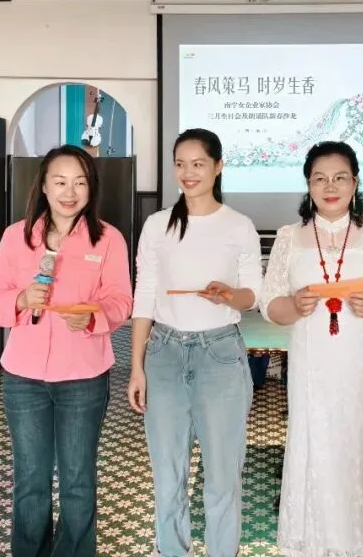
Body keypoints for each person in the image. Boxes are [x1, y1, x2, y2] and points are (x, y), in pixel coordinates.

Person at [260, 140, 363, 557]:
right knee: (317, 448)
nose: (330, 186)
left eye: (340, 177)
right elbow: (269, 304)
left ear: (355, 183)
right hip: (312, 369)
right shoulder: (289, 237)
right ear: (308, 184)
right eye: (320, 178)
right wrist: (294, 305)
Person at [0, 145, 133, 557]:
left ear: (91, 188)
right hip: (24, 378)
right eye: (60, 182)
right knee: (30, 479)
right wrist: (20, 299)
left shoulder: (108, 239)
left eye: (80, 183)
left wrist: (92, 316)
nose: (70, 192)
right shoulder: (16, 237)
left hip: (83, 377)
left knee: (78, 480)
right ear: (44, 187)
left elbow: (121, 300)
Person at [128, 128, 262, 557]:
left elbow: (253, 296)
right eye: (180, 164)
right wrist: (136, 366)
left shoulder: (238, 226)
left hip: (219, 355)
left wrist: (229, 295)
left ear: (218, 167)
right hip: (163, 353)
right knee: (168, 476)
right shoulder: (157, 225)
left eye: (198, 164)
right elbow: (145, 296)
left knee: (223, 477)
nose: (188, 173)